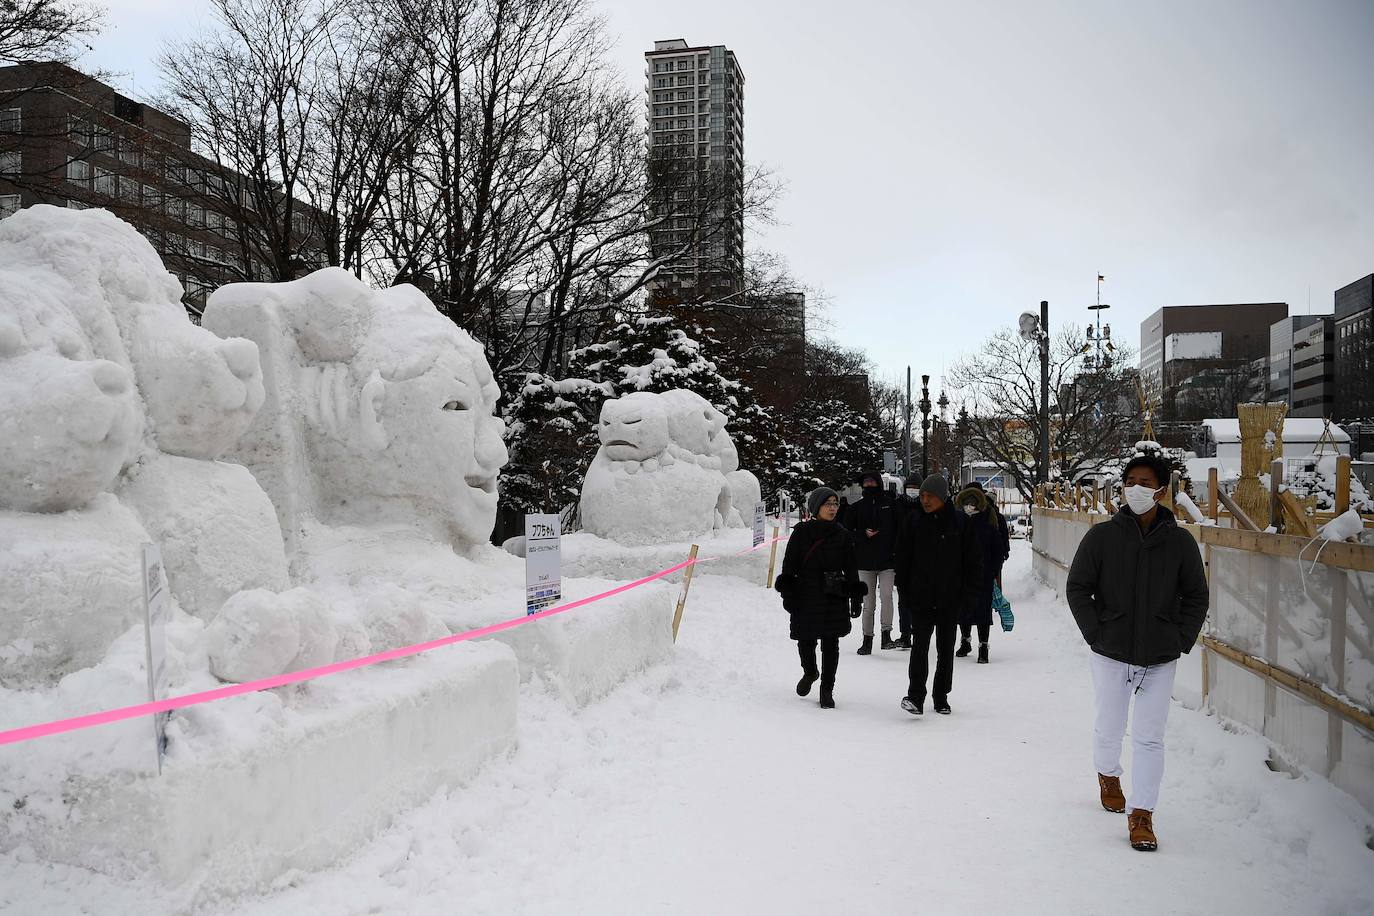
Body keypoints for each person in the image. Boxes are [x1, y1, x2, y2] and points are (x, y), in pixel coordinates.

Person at [1065, 454, 1208, 852]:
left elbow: (1196, 596)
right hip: (1111, 651)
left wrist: (1179, 638)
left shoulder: (1180, 543)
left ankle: (1142, 814)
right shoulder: (1102, 537)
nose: (1136, 488)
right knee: (1110, 724)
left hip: (1159, 657)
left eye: (1145, 482)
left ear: (1162, 491)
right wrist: (1097, 633)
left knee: (1149, 737)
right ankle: (1108, 775)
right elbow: (1078, 587)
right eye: (1130, 481)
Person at [893, 474, 981, 716]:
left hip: (950, 597)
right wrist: (904, 591)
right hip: (920, 596)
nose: (925, 500)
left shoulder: (961, 524)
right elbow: (902, 559)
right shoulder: (913, 522)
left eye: (930, 496)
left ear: (942, 497)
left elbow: (973, 562)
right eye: (922, 496)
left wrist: (969, 595)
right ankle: (915, 696)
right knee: (919, 647)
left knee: (945, 648)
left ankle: (941, 696)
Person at [774, 488, 866, 709]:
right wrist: (788, 592)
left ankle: (827, 689)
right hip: (806, 594)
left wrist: (855, 597)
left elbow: (851, 567)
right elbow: (790, 564)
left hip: (833, 594)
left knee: (831, 644)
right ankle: (810, 671)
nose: (833, 508)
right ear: (816, 508)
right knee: (805, 640)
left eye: (835, 503)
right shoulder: (802, 532)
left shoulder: (842, 535)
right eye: (827, 504)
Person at [843, 470, 899, 654]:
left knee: (887, 597)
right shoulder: (856, 507)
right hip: (864, 562)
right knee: (869, 603)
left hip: (887, 561)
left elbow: (899, 531)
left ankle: (886, 635)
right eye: (865, 482)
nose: (869, 484)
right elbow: (846, 533)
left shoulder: (891, 506)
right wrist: (862, 535)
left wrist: (895, 552)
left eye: (872, 481)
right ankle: (867, 639)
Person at [953, 484, 1000, 664]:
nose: (969, 506)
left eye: (972, 503)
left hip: (983, 574)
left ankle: (983, 645)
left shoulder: (987, 522)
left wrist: (994, 570)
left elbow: (997, 548)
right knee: (962, 610)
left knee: (982, 611)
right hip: (961, 574)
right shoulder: (956, 522)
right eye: (966, 503)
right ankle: (965, 641)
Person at [892, 473, 925, 649]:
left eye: (915, 488)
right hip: (902, 558)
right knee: (903, 598)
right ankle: (905, 634)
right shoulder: (897, 506)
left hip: (921, 559)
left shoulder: (925, 507)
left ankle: (919, 632)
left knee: (920, 598)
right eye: (910, 488)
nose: (912, 491)